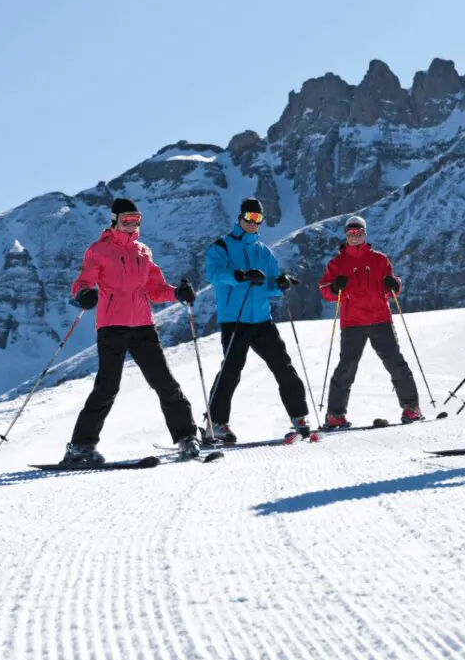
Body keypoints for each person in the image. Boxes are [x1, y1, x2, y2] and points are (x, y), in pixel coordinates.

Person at [65, 198, 200, 463]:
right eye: (126, 219)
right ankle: (80, 447)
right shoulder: (99, 251)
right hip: (112, 326)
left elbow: (155, 290)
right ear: (114, 220)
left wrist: (177, 293)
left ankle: (187, 438)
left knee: (165, 383)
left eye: (136, 219)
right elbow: (84, 281)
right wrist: (83, 294)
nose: (132, 224)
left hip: (143, 325)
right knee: (107, 387)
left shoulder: (143, 252)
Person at [204, 197, 310, 443]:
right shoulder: (221, 247)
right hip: (235, 319)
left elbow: (271, 285)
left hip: (262, 319)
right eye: (249, 217)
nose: (253, 222)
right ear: (240, 217)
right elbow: (215, 275)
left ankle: (299, 418)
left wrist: (281, 283)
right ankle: (216, 424)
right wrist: (241, 276)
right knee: (231, 370)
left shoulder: (264, 252)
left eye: (258, 218)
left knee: (283, 366)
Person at [318, 215, 422, 429]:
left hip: (379, 319)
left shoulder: (379, 260)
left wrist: (394, 284)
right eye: (351, 232)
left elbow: (391, 288)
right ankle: (335, 414)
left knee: (395, 363)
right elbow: (325, 291)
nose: (354, 236)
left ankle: (411, 408)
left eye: (358, 232)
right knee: (346, 367)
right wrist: (335, 287)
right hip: (352, 322)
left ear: (364, 234)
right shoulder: (337, 263)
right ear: (346, 235)